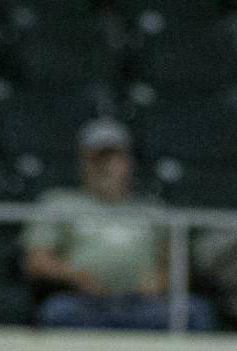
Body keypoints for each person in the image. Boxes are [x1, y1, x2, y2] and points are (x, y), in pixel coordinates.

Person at [22, 119, 215, 331]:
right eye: (98, 158)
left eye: (114, 158)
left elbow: (173, 264)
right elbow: (37, 262)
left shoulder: (153, 209)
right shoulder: (59, 203)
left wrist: (159, 281)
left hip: (144, 303)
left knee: (195, 312)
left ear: (128, 162)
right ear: (84, 162)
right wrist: (76, 276)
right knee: (57, 312)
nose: (106, 167)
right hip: (85, 303)